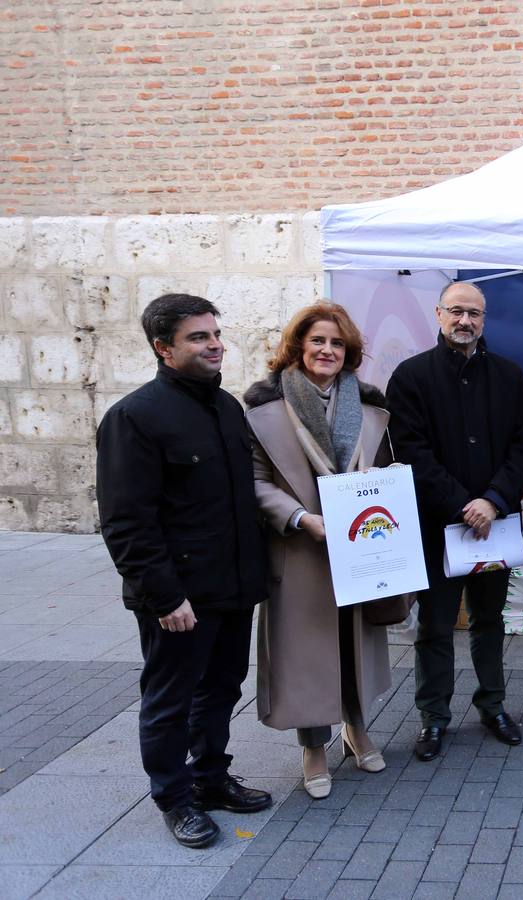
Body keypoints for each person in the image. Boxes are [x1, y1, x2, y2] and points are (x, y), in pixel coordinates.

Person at [96, 293, 272, 848]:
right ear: (162, 348)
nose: (214, 344)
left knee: (222, 688)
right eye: (198, 337)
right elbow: (126, 522)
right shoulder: (134, 417)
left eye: (215, 334)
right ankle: (174, 798)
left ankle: (212, 778)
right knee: (170, 699)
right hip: (178, 599)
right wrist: (165, 597)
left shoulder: (226, 409)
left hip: (232, 586)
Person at [243, 303, 394, 801]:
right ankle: (312, 746)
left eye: (336, 344)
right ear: (298, 348)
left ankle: (356, 727)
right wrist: (302, 519)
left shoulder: (369, 403)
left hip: (359, 548)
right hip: (301, 547)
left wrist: (381, 490)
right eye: (317, 342)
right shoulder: (265, 407)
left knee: (353, 643)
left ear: (348, 352)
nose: (327, 351)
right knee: (307, 654)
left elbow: (388, 467)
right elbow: (255, 481)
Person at [385, 281, 523, 762]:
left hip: (495, 525)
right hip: (437, 527)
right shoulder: (410, 378)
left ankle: (493, 706)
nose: (465, 321)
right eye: (456, 312)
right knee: (435, 625)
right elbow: (411, 453)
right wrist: (462, 504)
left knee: (491, 621)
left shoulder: (510, 377)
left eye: (474, 313)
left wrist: (492, 500)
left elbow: (522, 449)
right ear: (439, 314)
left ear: (484, 319)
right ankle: (433, 717)